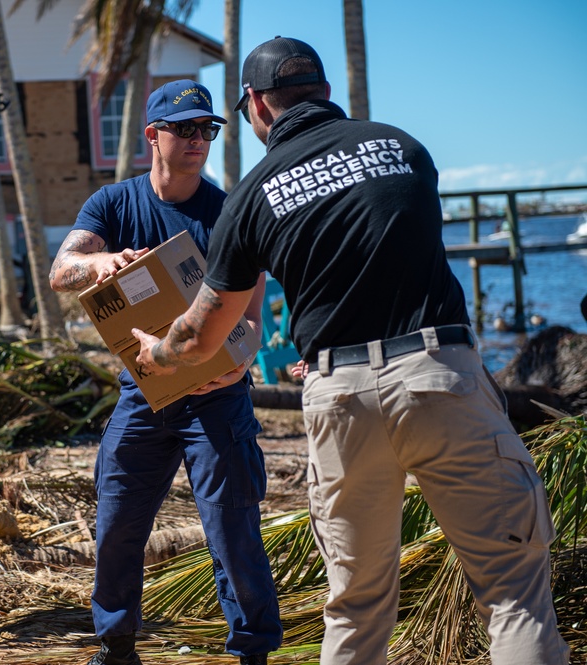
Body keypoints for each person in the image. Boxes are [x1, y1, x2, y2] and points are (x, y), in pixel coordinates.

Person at [134, 38, 569, 665]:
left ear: (256, 104)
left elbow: (203, 333)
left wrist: (157, 355)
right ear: (326, 92)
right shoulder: (404, 148)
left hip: (340, 397)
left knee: (357, 606)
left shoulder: (254, 193)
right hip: (438, 372)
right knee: (511, 590)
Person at [49, 79, 282, 665]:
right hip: (142, 394)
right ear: (153, 135)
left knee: (232, 534)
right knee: (119, 521)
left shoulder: (230, 212)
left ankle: (252, 651)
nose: (198, 139)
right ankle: (117, 644)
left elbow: (253, 323)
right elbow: (61, 271)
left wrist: (234, 369)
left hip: (217, 398)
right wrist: (100, 261)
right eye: (184, 129)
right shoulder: (112, 205)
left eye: (208, 129)